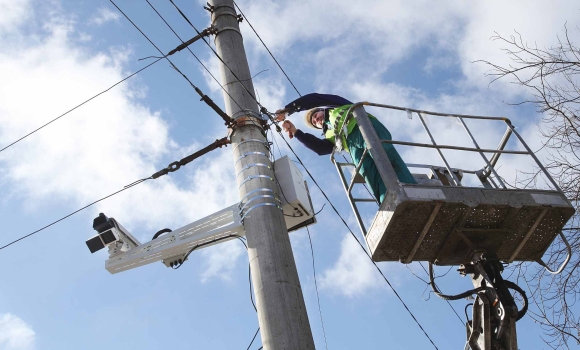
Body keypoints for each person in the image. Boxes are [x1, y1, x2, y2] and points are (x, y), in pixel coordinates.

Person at [276, 93, 416, 204]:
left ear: (322, 109)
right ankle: (388, 202)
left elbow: (314, 99)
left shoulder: (337, 105)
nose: (316, 120)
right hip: (352, 147)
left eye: (316, 115)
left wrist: (289, 110)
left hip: (363, 126)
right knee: (369, 173)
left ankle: (411, 192)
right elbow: (319, 148)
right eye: (314, 122)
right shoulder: (330, 134)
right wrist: (295, 131)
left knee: (386, 157)